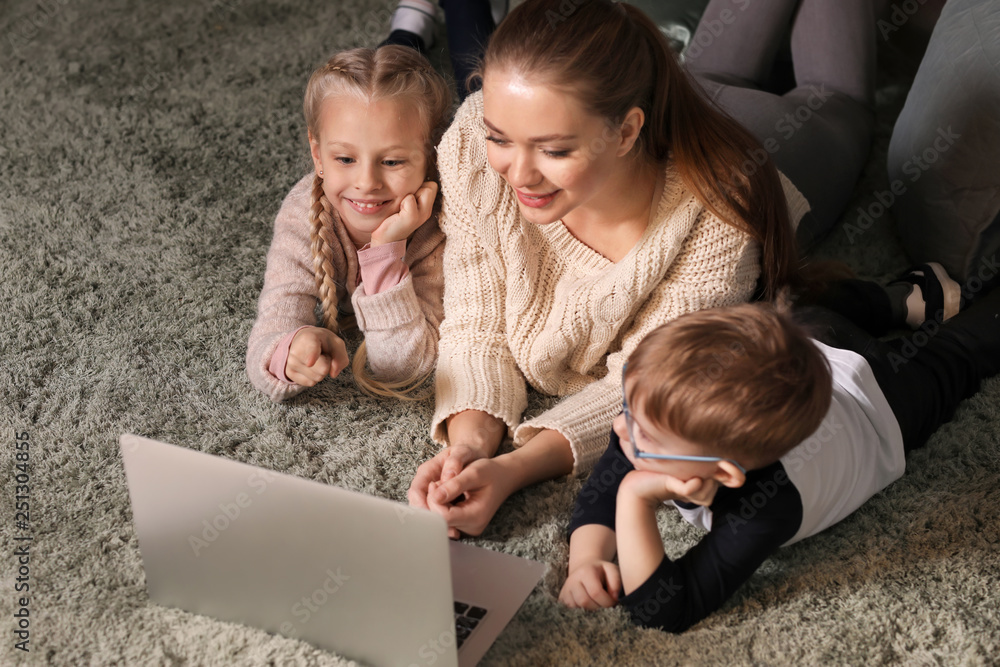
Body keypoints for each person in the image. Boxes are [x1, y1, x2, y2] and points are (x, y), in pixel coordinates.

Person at [408, 0, 855, 539]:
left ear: (625, 132)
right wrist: (467, 447)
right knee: (715, 72)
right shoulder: (470, 147)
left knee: (833, 97)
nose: (517, 172)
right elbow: (476, 322)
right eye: (499, 136)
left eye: (552, 150)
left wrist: (514, 469)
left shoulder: (718, 213)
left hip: (799, 144)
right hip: (689, 96)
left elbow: (648, 386)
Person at [560, 271, 1000, 632]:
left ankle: (918, 307)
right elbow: (605, 485)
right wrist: (588, 559)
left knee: (955, 355)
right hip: (810, 337)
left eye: (644, 434)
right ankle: (901, 301)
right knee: (794, 305)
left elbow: (667, 610)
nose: (621, 431)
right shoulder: (651, 423)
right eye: (627, 407)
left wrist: (634, 495)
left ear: (727, 474)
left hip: (883, 403)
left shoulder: (766, 507)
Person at [246, 46, 452, 402]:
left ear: (429, 160)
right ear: (317, 156)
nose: (367, 182)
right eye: (345, 158)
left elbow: (406, 366)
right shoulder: (303, 214)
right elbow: (270, 330)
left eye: (391, 161)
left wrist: (387, 252)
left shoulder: (443, 226)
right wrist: (290, 350)